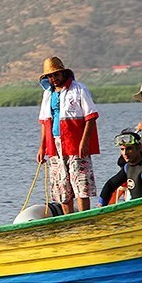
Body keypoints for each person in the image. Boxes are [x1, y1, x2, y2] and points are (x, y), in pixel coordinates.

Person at [36, 56, 100, 214]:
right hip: (55, 144)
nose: (54, 79)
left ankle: (84, 217)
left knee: (80, 182)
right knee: (61, 185)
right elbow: (45, 122)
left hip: (75, 143)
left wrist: (84, 142)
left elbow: (90, 117)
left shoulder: (79, 89)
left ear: (63, 74)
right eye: (50, 76)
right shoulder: (48, 94)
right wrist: (42, 148)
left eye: (56, 75)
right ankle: (68, 219)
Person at [97, 130, 142, 206]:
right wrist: (101, 205)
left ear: (139, 147)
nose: (125, 153)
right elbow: (110, 185)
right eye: (122, 149)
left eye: (129, 149)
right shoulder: (128, 167)